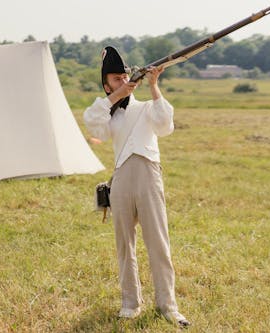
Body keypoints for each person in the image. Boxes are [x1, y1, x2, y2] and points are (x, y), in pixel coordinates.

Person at [83, 46, 190, 328]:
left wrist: (154, 85)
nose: (121, 81)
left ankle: (168, 305)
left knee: (159, 244)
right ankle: (130, 304)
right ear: (106, 84)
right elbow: (93, 123)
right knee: (124, 246)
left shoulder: (145, 107)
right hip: (121, 180)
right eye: (115, 79)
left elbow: (165, 125)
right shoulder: (108, 114)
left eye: (123, 77)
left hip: (148, 176)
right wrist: (119, 94)